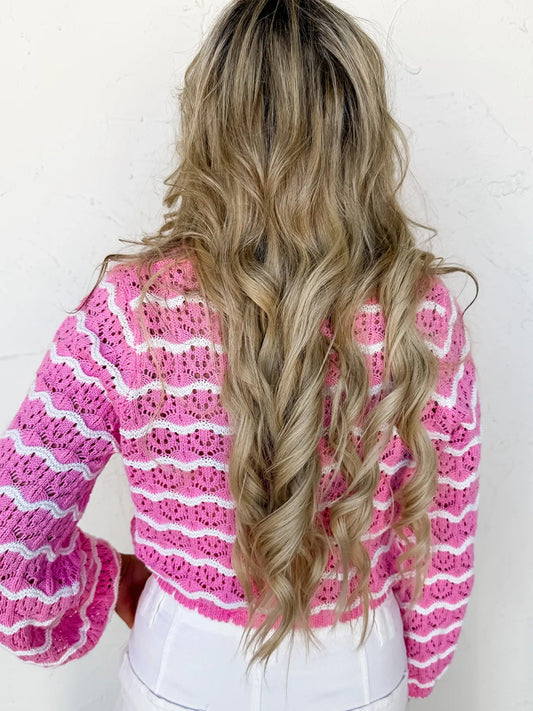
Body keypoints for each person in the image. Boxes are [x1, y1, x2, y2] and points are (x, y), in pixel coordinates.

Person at [0, 1, 482, 710]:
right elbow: (440, 550)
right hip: (358, 670)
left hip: (180, 669)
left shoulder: (131, 312)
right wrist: (414, 673)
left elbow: (13, 539)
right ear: (359, 131)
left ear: (209, 124)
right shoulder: (422, 315)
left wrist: (110, 583)